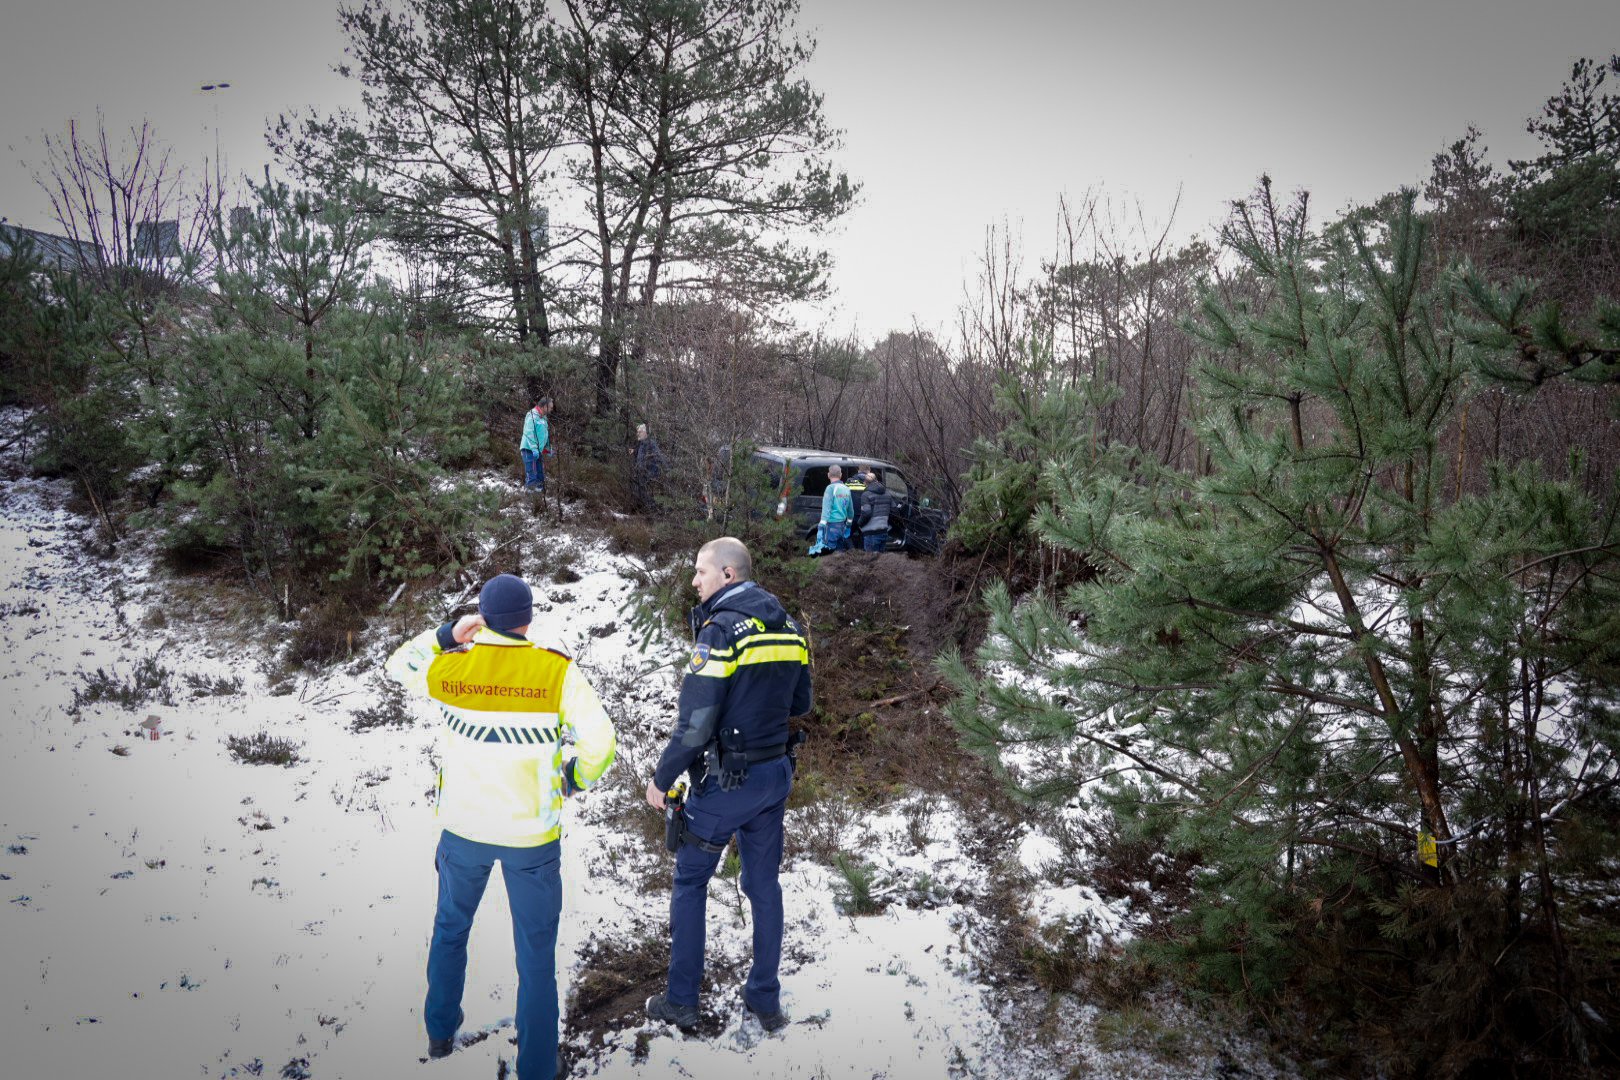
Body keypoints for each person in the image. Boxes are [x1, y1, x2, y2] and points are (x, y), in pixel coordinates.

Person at [385, 574, 616, 1080]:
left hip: (463, 830)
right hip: (531, 838)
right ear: (528, 618)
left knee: (450, 930)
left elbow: (396, 664)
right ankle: (536, 1066)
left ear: (483, 618)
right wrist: (573, 778)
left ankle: (440, 1032)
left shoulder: (451, 667)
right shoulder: (556, 671)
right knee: (535, 952)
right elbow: (602, 743)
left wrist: (448, 634)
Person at [644, 537, 812, 1034]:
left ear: (728, 575)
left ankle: (681, 1001)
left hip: (724, 784)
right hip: (774, 777)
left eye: (701, 572)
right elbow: (800, 704)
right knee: (763, 886)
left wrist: (661, 777)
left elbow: (694, 724)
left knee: (691, 881)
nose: (694, 581)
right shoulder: (790, 627)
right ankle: (765, 999)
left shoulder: (720, 632)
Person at [817, 465, 854, 552]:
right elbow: (851, 511)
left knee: (829, 555)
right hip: (842, 526)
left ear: (828, 475)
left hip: (831, 526)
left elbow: (826, 510)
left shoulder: (830, 488)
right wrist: (848, 526)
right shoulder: (846, 489)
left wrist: (820, 528)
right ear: (840, 475)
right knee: (839, 554)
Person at [631, 423, 666, 511]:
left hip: (649, 474)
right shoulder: (641, 444)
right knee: (639, 493)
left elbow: (659, 456)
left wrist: (667, 469)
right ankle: (643, 511)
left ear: (645, 433)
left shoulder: (651, 443)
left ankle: (652, 512)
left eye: (640, 432)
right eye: (637, 432)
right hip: (641, 474)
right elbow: (641, 456)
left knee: (648, 495)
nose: (637, 434)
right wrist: (634, 452)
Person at [856, 467, 892, 552]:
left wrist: (859, 523)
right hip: (883, 531)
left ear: (865, 483)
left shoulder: (866, 495)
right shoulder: (887, 493)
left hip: (871, 533)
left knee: (870, 562)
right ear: (876, 480)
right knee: (880, 561)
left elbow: (866, 513)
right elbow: (894, 510)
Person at [520, 397, 552, 491]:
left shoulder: (544, 418)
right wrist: (534, 448)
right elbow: (529, 432)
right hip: (529, 449)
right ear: (544, 407)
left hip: (538, 450)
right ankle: (529, 500)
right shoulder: (532, 416)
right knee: (532, 474)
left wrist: (547, 448)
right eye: (550, 407)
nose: (551, 409)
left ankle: (539, 501)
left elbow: (544, 434)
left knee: (540, 474)